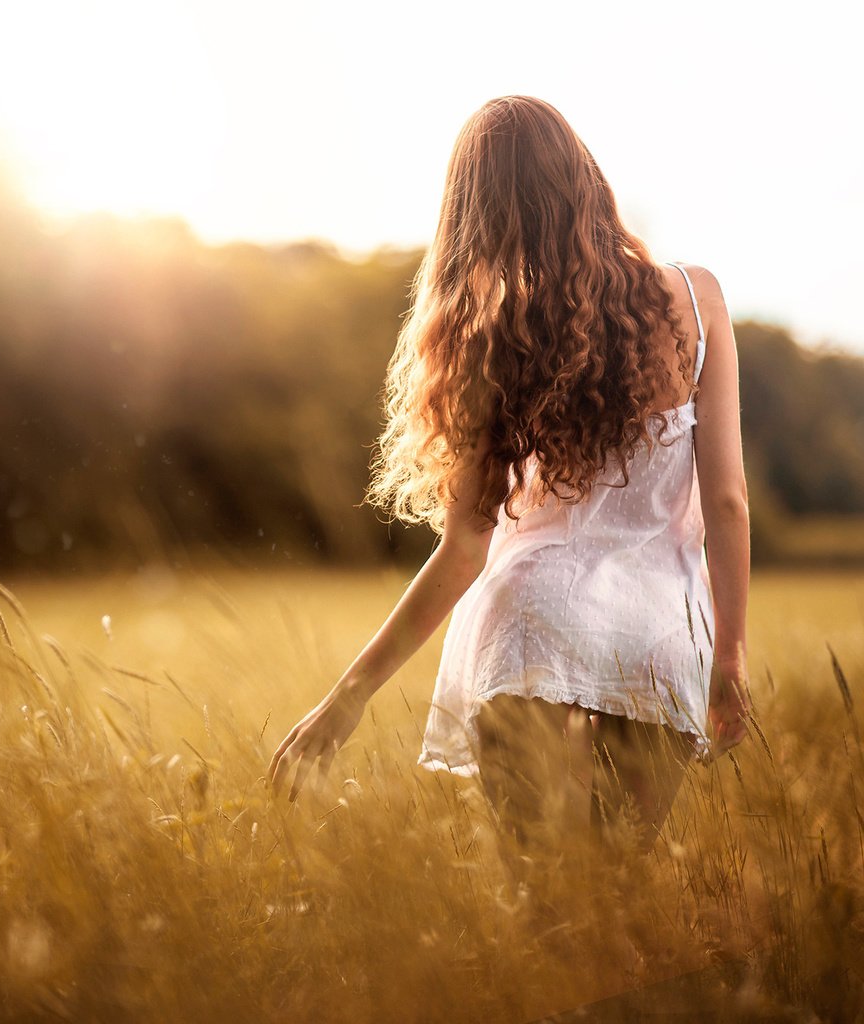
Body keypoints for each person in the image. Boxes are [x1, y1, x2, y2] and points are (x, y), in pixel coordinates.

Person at [266, 95, 751, 854]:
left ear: (475, 216)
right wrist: (730, 655)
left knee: (543, 913)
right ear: (583, 178)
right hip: (656, 645)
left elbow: (466, 545)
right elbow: (726, 501)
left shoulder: (495, 337)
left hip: (529, 629)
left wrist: (345, 700)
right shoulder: (698, 300)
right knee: (614, 898)